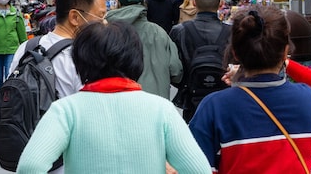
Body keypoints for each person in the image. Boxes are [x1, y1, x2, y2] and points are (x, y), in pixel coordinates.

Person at [16, 21, 212, 174]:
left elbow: (30, 166)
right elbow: (198, 169)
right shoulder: (162, 109)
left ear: (80, 61)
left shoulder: (66, 110)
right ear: (136, 60)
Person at [189, 5, 311, 174]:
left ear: (235, 52)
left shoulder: (214, 107)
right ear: (286, 51)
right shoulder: (306, 97)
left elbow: (197, 168)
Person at [8, 0, 111, 100]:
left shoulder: (27, 48)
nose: (105, 22)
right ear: (74, 17)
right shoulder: (83, 58)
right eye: (101, 16)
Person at [105, 0, 182, 99]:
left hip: (117, 104)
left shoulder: (106, 32)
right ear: (143, 2)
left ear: (118, 2)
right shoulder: (158, 33)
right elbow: (176, 71)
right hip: (154, 104)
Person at [169, 0, 230, 121]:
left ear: (194, 3)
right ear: (221, 3)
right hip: (225, 100)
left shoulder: (179, 31)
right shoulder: (232, 32)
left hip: (191, 99)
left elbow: (173, 70)